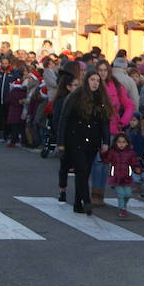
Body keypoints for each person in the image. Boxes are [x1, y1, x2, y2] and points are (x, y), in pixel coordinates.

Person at [57, 71, 111, 215]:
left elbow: (104, 121)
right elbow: (64, 119)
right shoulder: (76, 96)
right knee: (80, 169)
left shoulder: (101, 98)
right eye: (92, 80)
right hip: (75, 139)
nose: (95, 83)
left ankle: (77, 203)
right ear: (87, 81)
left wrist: (106, 140)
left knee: (85, 172)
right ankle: (86, 201)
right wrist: (60, 142)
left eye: (97, 81)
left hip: (92, 139)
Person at [91, 60, 135, 206]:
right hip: (95, 129)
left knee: (104, 164)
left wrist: (124, 120)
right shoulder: (93, 85)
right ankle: (95, 193)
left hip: (113, 130)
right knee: (98, 162)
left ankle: (100, 194)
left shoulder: (115, 86)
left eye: (105, 70)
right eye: (100, 70)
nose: (102, 72)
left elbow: (129, 105)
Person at [101, 133, 143, 218]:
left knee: (128, 194)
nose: (121, 144)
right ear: (115, 143)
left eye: (123, 142)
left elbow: (134, 162)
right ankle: (122, 208)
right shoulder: (112, 152)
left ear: (127, 143)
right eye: (119, 142)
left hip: (127, 177)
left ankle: (123, 205)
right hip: (116, 177)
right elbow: (106, 160)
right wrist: (103, 153)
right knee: (121, 194)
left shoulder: (131, 153)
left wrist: (137, 167)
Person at [52, 73, 78, 201]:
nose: (77, 88)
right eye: (74, 85)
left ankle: (80, 193)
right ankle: (62, 190)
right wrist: (60, 139)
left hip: (78, 137)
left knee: (80, 167)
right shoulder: (61, 101)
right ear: (68, 87)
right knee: (64, 166)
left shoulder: (79, 100)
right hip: (66, 137)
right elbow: (57, 121)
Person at [5, 78, 28, 147]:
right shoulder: (24, 93)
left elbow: (7, 101)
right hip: (21, 113)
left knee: (14, 129)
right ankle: (24, 141)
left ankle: (13, 141)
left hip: (13, 113)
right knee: (22, 128)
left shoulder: (12, 93)